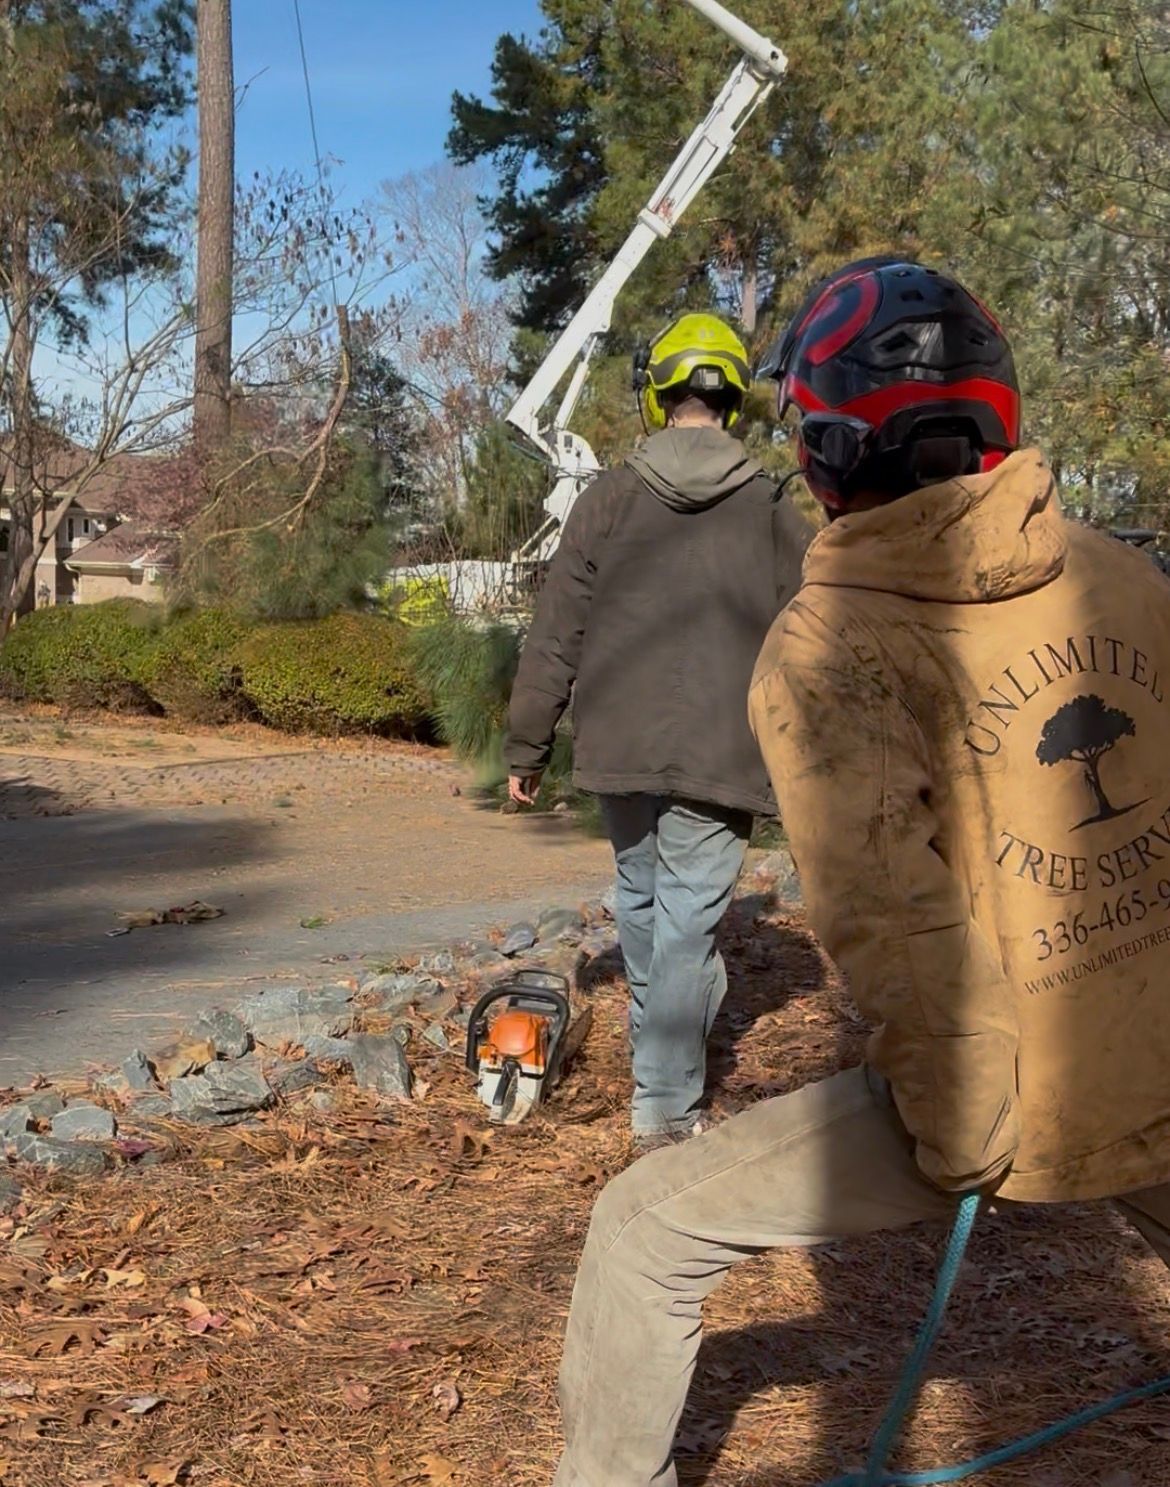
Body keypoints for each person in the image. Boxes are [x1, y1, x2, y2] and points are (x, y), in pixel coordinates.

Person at [550, 259, 1170, 1487]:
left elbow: (893, 918)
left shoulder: (829, 645)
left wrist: (968, 1135)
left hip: (1007, 1091)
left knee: (640, 1231)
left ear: (826, 452)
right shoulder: (1123, 573)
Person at [505, 312, 811, 1145]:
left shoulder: (607, 498)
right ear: (733, 401)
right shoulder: (776, 506)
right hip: (722, 751)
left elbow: (557, 627)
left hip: (621, 743)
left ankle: (662, 1076)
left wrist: (527, 741)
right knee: (679, 924)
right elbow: (814, 636)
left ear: (659, 393)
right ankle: (667, 1102)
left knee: (644, 905)